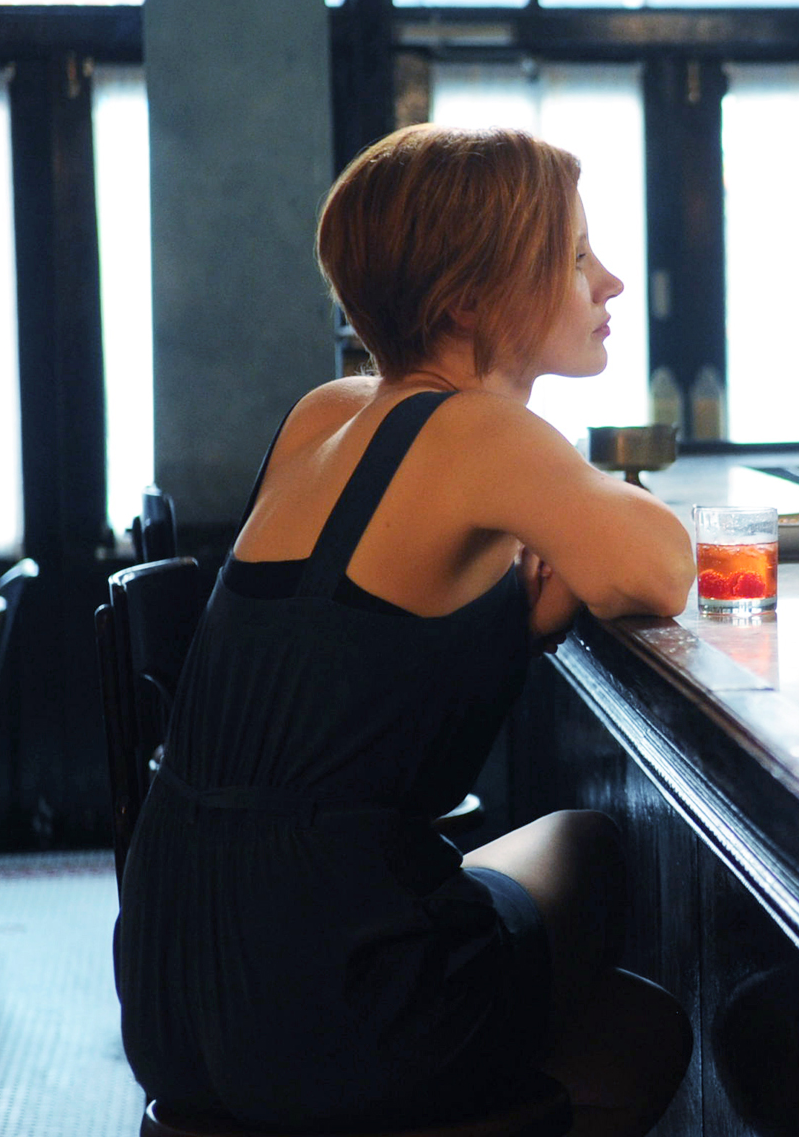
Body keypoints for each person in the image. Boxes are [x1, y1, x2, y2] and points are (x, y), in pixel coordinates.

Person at [115, 125, 697, 1135]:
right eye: (572, 257)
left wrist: (509, 626)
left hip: (170, 973)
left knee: (587, 958)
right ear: (467, 302)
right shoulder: (474, 427)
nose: (607, 281)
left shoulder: (323, 412)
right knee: (610, 911)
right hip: (328, 995)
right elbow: (661, 565)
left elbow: (338, 664)